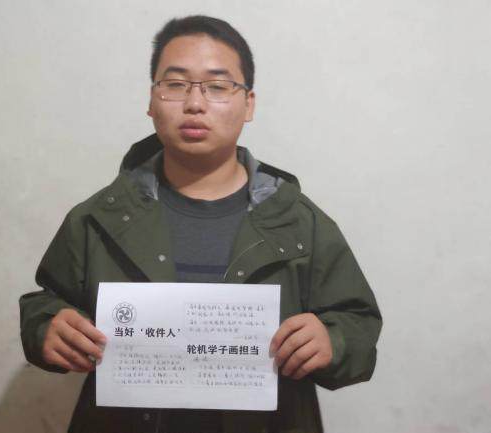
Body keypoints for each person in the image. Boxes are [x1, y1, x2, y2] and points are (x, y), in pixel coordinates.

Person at [19, 15, 382, 433]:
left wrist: (333, 341)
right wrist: (47, 327)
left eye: (218, 86)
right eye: (175, 84)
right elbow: (46, 302)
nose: (195, 103)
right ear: (152, 100)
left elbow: (359, 323)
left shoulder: (299, 222)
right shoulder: (100, 217)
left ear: (248, 104)